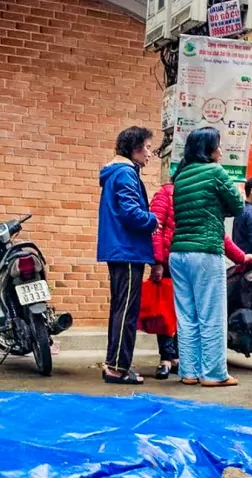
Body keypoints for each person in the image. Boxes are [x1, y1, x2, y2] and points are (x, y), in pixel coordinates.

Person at [150, 175, 249, 380]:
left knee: (184, 316)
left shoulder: (180, 190)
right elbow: (156, 227)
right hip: (186, 258)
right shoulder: (201, 183)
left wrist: (240, 257)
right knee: (186, 314)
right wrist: (157, 260)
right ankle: (173, 360)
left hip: (178, 255)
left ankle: (186, 368)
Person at [168, 127, 246, 387]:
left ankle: (189, 372)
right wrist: (219, 208)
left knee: (187, 316)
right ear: (208, 149)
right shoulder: (215, 172)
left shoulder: (179, 177)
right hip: (206, 251)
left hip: (178, 253)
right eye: (218, 146)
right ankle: (214, 374)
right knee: (211, 315)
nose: (221, 151)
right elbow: (238, 206)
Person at [96, 126, 158, 385]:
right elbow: (131, 213)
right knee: (127, 311)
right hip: (128, 250)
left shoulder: (117, 172)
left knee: (120, 308)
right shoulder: (125, 173)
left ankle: (115, 364)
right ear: (134, 149)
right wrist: (153, 220)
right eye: (147, 147)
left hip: (120, 249)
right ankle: (118, 368)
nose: (150, 154)